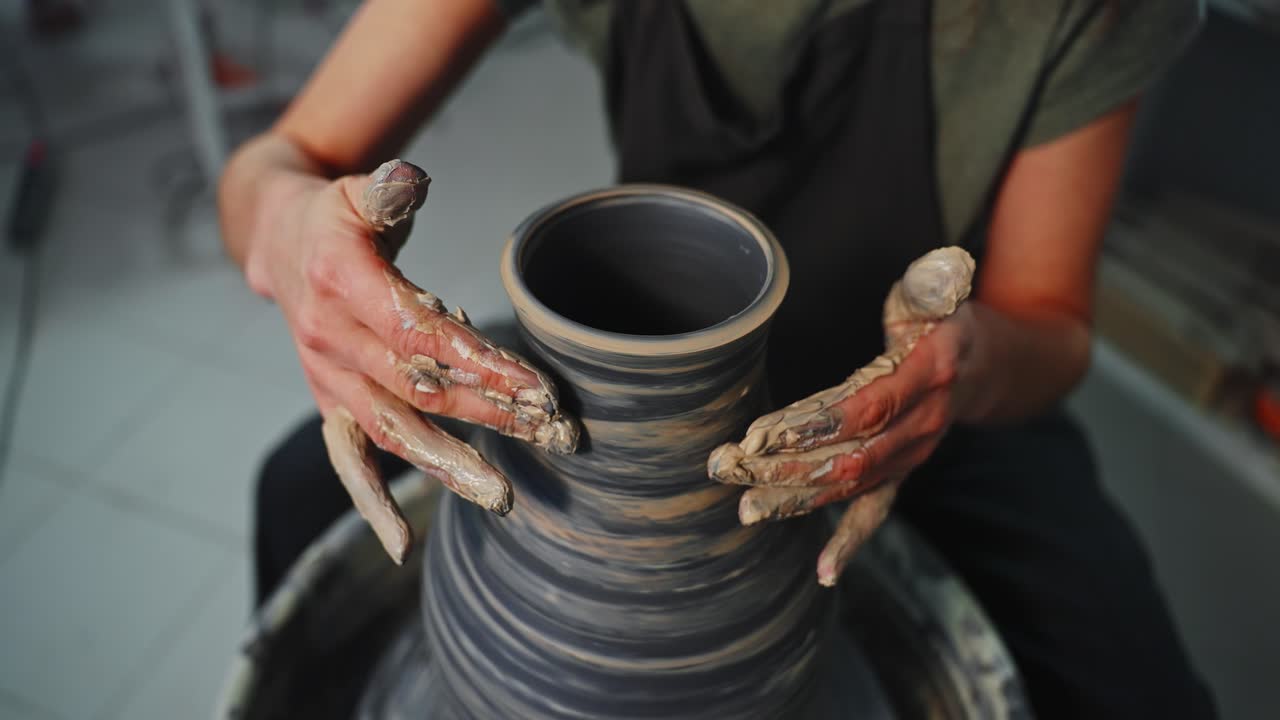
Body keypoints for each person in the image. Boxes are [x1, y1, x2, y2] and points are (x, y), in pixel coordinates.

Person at [217, 1, 1216, 717]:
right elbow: (274, 164)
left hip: (915, 402)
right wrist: (292, 234)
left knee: (1128, 684)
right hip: (608, 387)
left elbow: (1051, 321)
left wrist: (968, 362)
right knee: (300, 488)